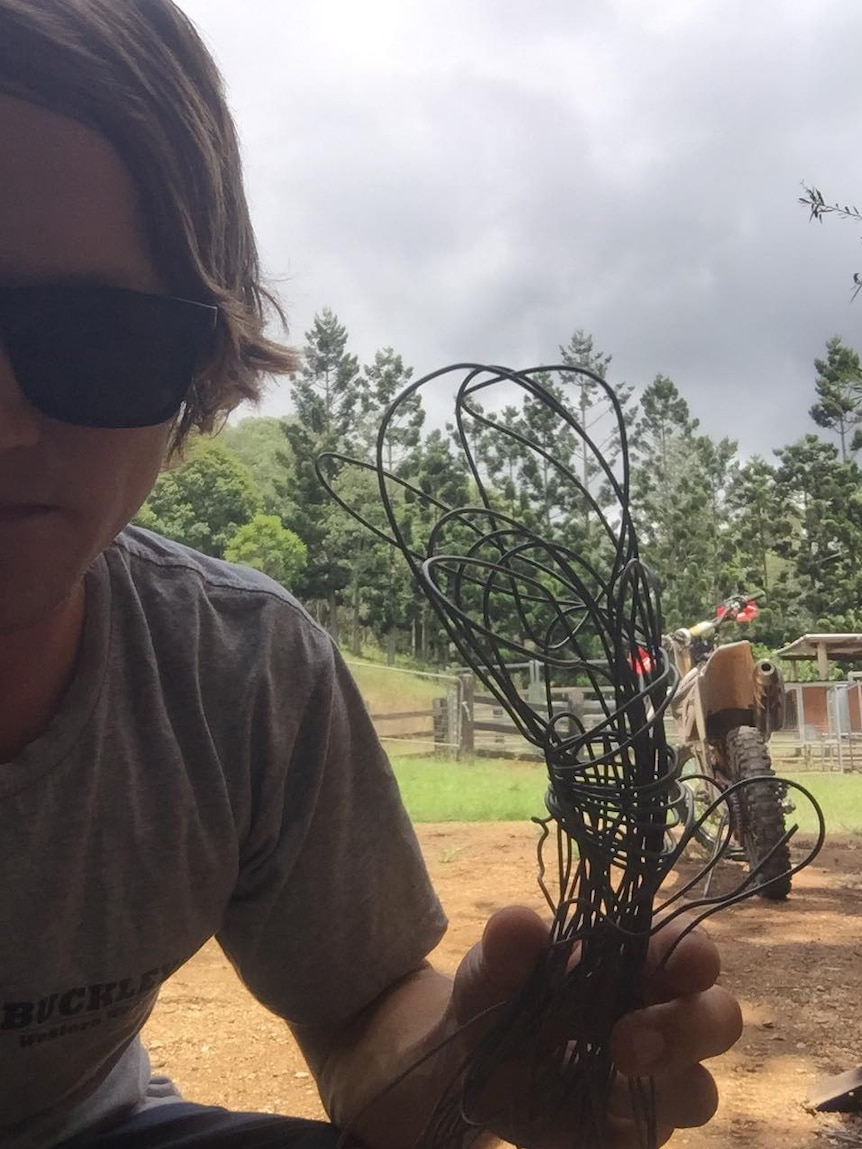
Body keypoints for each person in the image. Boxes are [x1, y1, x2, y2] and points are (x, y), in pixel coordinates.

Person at [0, 2, 743, 1146]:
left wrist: (487, 1055)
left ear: (201, 356)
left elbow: (364, 1018)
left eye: (95, 339)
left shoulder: (238, 672)